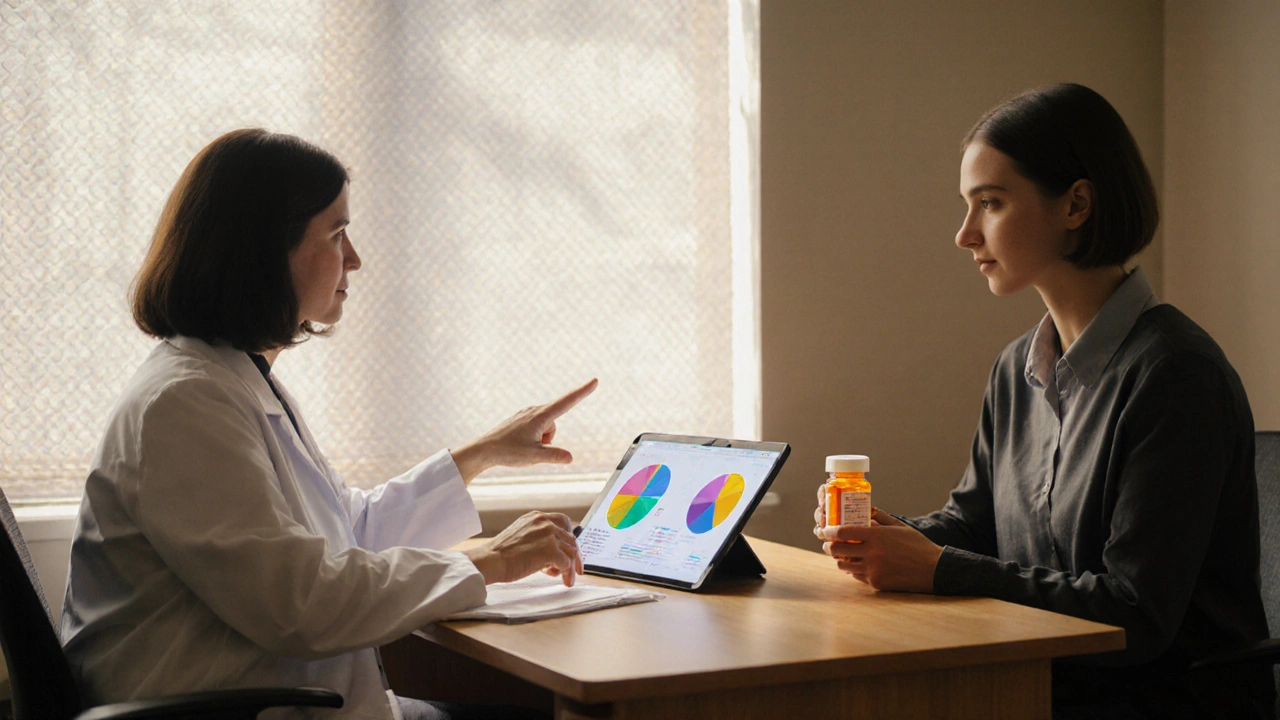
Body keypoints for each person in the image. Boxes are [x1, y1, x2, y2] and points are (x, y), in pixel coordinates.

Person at [60, 128, 594, 720]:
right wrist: (492, 560)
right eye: (337, 233)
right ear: (266, 252)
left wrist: (482, 454)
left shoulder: (234, 379)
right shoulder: (183, 405)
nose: (356, 258)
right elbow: (303, 603)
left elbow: (347, 530)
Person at [814, 84, 1274, 719]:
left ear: (1076, 204)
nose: (964, 235)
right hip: (1044, 682)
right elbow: (974, 526)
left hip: (1157, 702)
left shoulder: (1176, 375)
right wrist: (884, 538)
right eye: (967, 206)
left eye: (991, 204)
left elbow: (1133, 616)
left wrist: (939, 568)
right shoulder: (1016, 368)